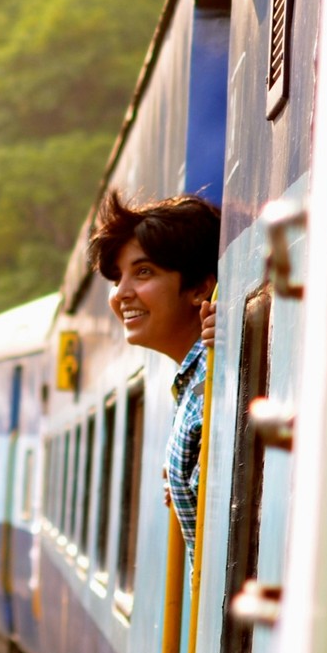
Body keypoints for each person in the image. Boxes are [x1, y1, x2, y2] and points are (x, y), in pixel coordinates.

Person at [87, 189, 221, 563]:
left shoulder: (216, 385)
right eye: (118, 279)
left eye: (143, 272)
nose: (120, 294)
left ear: (199, 288)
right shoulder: (194, 384)